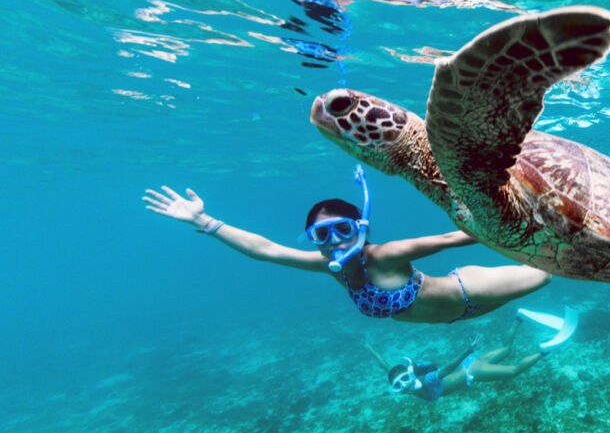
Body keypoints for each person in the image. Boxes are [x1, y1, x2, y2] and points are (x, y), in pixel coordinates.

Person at [142, 167, 551, 323]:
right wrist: (205, 222)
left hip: (469, 290)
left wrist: (518, 220)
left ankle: (555, 219)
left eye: (341, 229)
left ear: (361, 227)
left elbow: (450, 238)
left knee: (547, 273)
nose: (334, 242)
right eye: (321, 235)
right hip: (459, 317)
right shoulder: (329, 267)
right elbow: (266, 249)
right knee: (528, 289)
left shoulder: (385, 255)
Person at [369, 317, 551, 402]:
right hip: (468, 364)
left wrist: (468, 350)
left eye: (404, 380)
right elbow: (385, 365)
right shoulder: (401, 386)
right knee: (506, 350)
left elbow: (447, 369)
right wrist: (369, 348)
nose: (403, 385)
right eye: (398, 385)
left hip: (471, 370)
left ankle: (544, 351)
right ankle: (517, 318)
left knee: (512, 371)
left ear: (410, 374)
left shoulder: (426, 380)